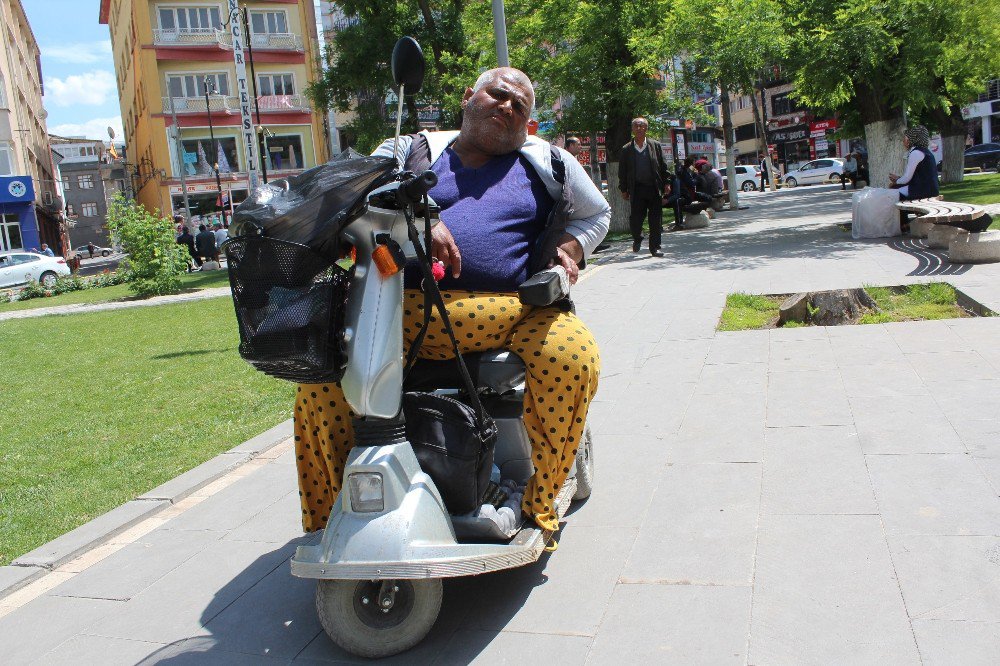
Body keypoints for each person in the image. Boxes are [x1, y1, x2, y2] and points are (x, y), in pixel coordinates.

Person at [294, 66, 609, 536]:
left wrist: (572, 247)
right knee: (319, 384)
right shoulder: (410, 150)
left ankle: (540, 501)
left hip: (509, 310)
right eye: (498, 95)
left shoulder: (549, 161)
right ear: (468, 97)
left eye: (519, 106)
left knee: (573, 356)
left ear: (529, 124)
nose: (507, 107)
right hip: (394, 310)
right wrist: (421, 211)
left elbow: (596, 213)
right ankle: (331, 519)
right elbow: (351, 193)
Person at [618, 117, 671, 256]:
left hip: (653, 188)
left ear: (646, 129)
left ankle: (655, 247)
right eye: (636, 126)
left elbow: (664, 166)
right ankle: (638, 237)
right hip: (637, 190)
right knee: (635, 221)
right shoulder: (626, 149)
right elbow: (622, 171)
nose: (639, 128)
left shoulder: (655, 146)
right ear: (632, 129)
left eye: (642, 126)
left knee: (655, 221)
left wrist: (667, 183)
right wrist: (623, 189)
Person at [890, 125, 940, 233]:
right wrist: (898, 179)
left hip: (922, 190)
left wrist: (896, 181)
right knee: (897, 189)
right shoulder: (925, 152)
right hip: (930, 188)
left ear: (913, 139)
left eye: (906, 139)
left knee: (894, 193)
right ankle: (905, 223)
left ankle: (903, 224)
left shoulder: (916, 153)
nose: (904, 142)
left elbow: (907, 178)